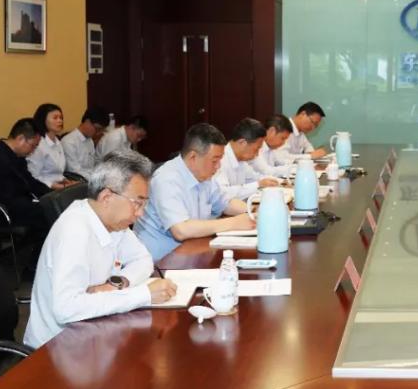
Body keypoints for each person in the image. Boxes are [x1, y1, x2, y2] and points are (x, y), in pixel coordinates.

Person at [23, 151, 178, 348]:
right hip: (57, 345)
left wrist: (115, 284)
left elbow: (143, 260)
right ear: (106, 197)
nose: (140, 213)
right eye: (137, 203)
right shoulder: (74, 230)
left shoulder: (114, 221)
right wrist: (143, 295)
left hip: (93, 329)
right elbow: (66, 308)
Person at [135, 123, 256, 260]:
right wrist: (233, 223)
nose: (218, 166)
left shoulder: (204, 175)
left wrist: (255, 213)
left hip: (191, 252)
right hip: (161, 261)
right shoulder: (166, 179)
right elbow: (181, 230)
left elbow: (226, 203)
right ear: (193, 157)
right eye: (214, 161)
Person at [0, 118, 51, 245]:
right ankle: (38, 255)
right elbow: (5, 196)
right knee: (44, 213)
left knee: (50, 204)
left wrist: (50, 194)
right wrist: (36, 201)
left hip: (13, 204)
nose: (33, 151)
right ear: (21, 139)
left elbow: (30, 182)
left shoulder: (15, 156)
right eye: (33, 146)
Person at [215, 118, 280, 202]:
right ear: (242, 143)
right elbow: (224, 193)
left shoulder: (241, 160)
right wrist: (258, 185)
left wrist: (277, 181)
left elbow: (255, 177)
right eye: (256, 149)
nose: (257, 154)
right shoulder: (219, 160)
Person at [27, 103, 77, 189]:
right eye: (55, 118)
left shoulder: (58, 141)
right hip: (43, 189)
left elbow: (57, 173)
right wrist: (57, 186)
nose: (60, 121)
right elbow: (33, 177)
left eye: (61, 118)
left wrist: (66, 181)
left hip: (59, 186)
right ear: (43, 120)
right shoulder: (38, 144)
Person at [61, 106, 109, 180]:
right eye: (97, 129)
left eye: (101, 130)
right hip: (77, 181)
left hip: (90, 179)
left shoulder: (89, 141)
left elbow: (91, 167)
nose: (98, 133)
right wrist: (97, 178)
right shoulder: (68, 142)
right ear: (87, 121)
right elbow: (74, 171)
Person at [252, 114, 295, 179]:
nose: (283, 143)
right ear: (272, 131)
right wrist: (290, 168)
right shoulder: (255, 146)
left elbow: (282, 161)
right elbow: (267, 171)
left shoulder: (271, 147)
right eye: (282, 138)